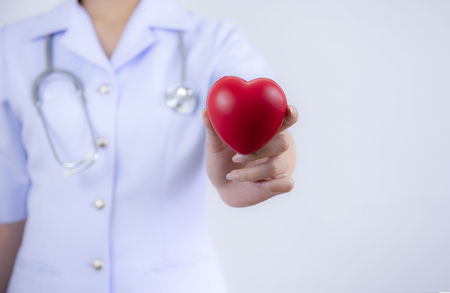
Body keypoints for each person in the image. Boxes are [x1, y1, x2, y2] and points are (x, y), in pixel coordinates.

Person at [0, 0, 298, 292]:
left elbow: (266, 119)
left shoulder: (214, 42)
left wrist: (253, 169)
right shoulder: (11, 46)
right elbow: (6, 204)